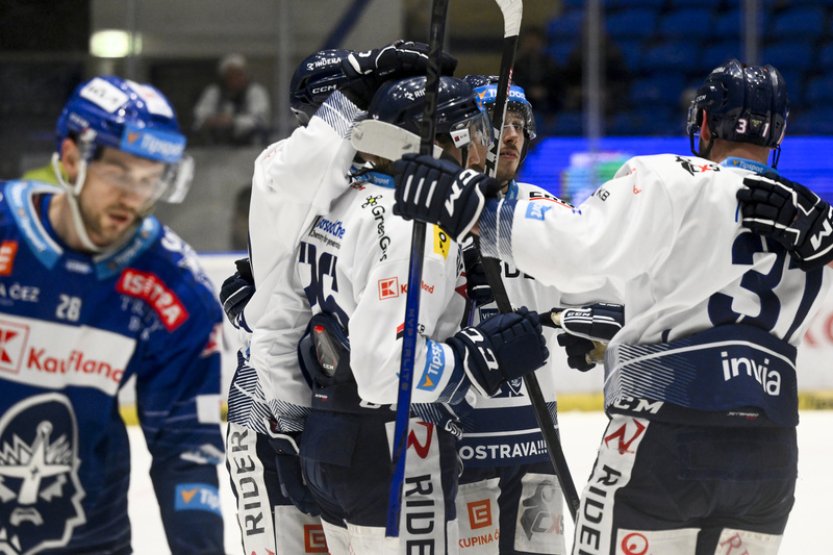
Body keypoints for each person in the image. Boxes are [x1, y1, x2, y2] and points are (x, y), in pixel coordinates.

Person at [392, 60, 832, 553]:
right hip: (769, 459)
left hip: (664, 434)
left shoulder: (669, 178)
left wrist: (477, 212)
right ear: (779, 134)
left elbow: (579, 252)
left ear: (704, 123)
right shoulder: (813, 219)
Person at [223, 41, 462, 554]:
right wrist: (289, 421)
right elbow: (281, 320)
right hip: (291, 406)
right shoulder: (288, 170)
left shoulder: (350, 195)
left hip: (321, 411)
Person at [294, 75, 549, 554]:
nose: (483, 144)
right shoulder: (416, 226)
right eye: (473, 130)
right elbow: (385, 369)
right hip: (396, 445)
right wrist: (482, 355)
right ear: (442, 138)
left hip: (329, 436)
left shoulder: (340, 200)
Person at [0, 76, 225, 554]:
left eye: (150, 179)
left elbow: (186, 449)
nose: (133, 196)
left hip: (84, 537)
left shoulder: (173, 286)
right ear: (69, 158)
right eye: (119, 172)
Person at [454, 76, 624, 555]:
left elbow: (603, 294)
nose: (510, 136)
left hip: (534, 446)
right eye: (495, 123)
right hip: (457, 446)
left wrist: (582, 327)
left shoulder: (539, 210)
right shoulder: (428, 216)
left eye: (517, 126)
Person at [222, 47, 353, 555]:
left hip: (335, 408)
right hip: (266, 404)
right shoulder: (283, 162)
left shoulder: (370, 184)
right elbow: (276, 308)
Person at [192, 53, 271, 145]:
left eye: (239, 74)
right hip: (215, 150)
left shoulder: (256, 91)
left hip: (250, 148)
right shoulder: (214, 92)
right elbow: (199, 116)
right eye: (231, 75)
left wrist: (233, 121)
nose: (236, 79)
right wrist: (213, 120)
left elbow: (259, 120)